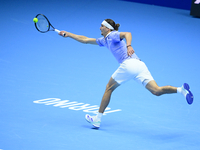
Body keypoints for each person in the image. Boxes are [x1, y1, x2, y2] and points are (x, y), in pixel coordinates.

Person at [59, 19, 194, 129]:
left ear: (108, 28)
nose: (99, 27)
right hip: (140, 65)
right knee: (156, 91)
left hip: (128, 64)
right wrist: (68, 34)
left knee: (108, 88)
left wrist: (129, 45)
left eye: (101, 26)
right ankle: (181, 90)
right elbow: (85, 39)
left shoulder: (112, 35)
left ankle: (97, 120)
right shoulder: (104, 40)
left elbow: (127, 33)